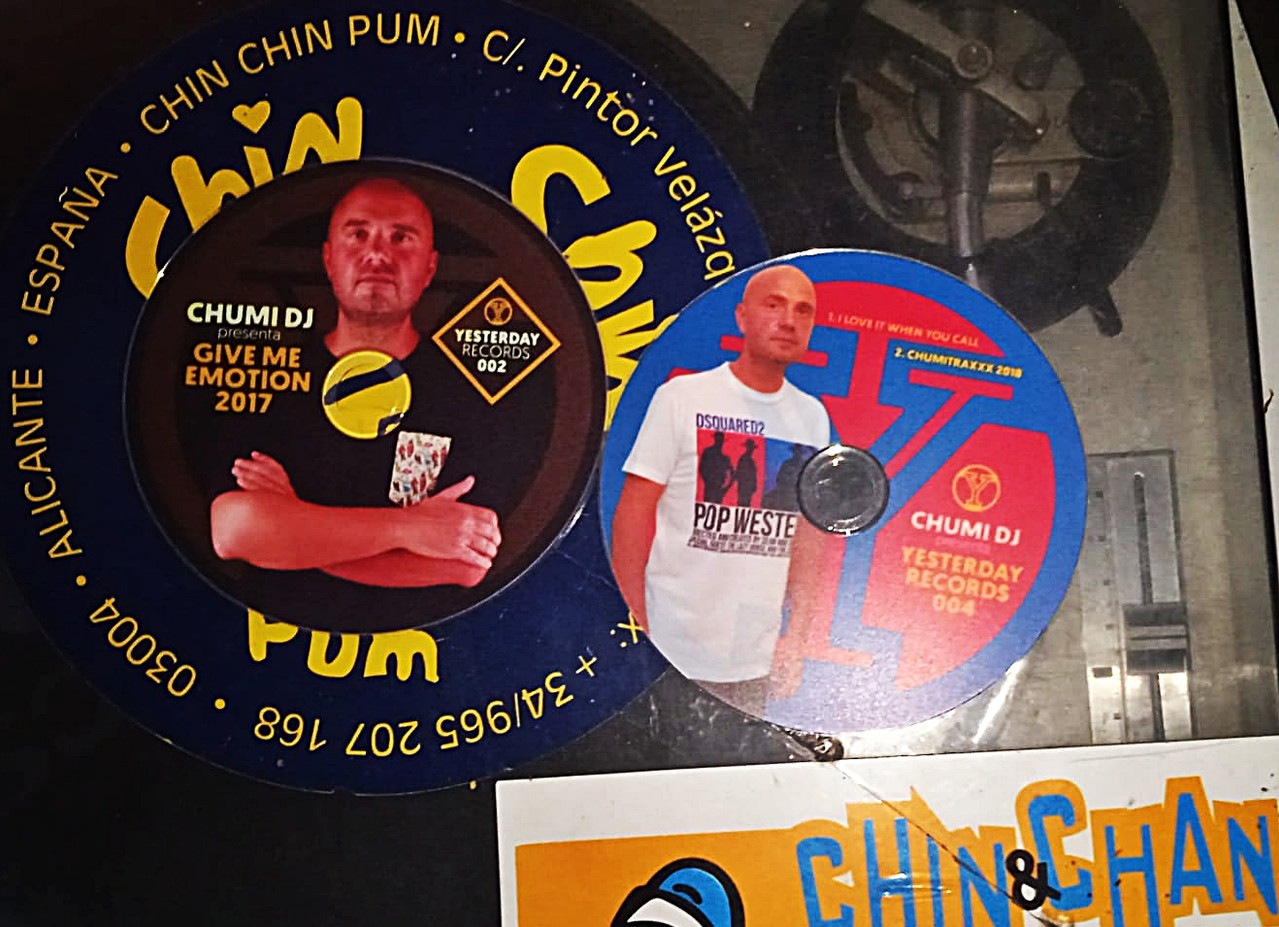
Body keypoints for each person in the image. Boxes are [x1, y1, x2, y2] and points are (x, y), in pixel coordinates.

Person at [209, 178, 503, 590]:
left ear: (430, 267)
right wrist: (409, 529)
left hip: (424, 627)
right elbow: (233, 529)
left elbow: (468, 566)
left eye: (401, 238)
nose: (378, 255)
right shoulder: (267, 375)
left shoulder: (468, 393)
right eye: (359, 235)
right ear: (328, 259)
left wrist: (292, 528)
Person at [610, 264, 834, 712]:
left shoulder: (812, 417)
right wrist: (636, 627)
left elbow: (808, 538)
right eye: (774, 305)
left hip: (754, 661)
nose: (789, 320)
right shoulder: (683, 397)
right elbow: (633, 513)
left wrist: (797, 637)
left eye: (803, 311)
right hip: (668, 651)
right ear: (742, 317)